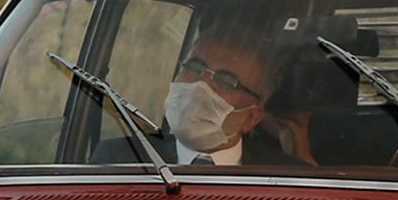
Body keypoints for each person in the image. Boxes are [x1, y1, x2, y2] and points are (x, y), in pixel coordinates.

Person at [95, 26, 289, 168]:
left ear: (251, 118)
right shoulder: (118, 160)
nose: (200, 86)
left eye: (225, 80)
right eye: (194, 67)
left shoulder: (283, 178)